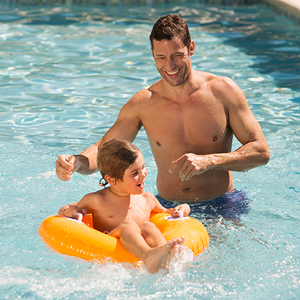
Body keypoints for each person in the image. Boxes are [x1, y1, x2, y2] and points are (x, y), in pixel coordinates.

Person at [55, 14, 270, 218]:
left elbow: (261, 151)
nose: (170, 66)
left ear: (191, 48)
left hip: (221, 203)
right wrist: (77, 162)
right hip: (167, 207)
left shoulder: (223, 91)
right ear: (152, 55)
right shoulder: (143, 104)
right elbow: (103, 150)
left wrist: (209, 161)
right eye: (161, 57)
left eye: (177, 55)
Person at [58, 139, 190, 274]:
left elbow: (170, 214)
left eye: (143, 167)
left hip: (140, 246)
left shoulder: (147, 199)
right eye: (135, 173)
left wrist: (184, 208)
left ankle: (166, 256)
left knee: (148, 226)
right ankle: (147, 255)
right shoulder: (97, 200)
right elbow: (65, 211)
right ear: (111, 180)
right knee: (129, 225)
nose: (143, 174)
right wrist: (69, 210)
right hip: (110, 244)